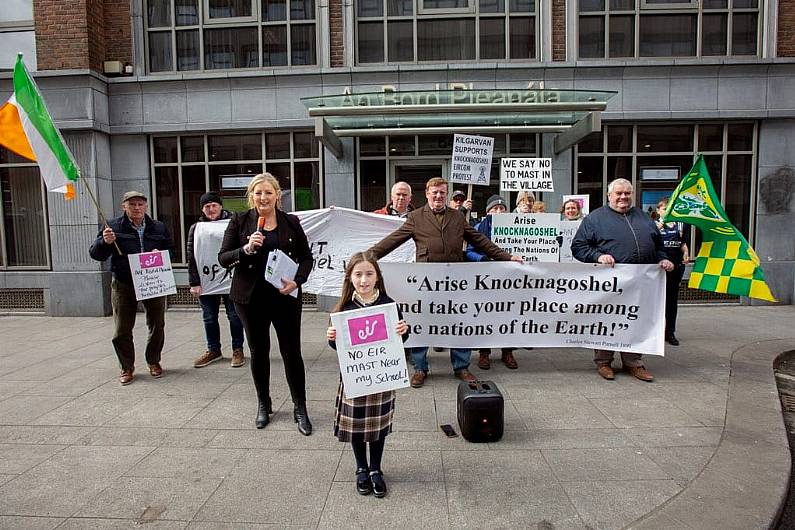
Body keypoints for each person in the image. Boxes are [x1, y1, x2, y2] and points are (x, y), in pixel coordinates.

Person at [368, 177, 523, 388]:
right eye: (435, 193)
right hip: (425, 282)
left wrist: (507, 257)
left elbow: (481, 241)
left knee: (458, 323)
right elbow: (392, 240)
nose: (439, 196)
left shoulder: (458, 217)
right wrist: (368, 256)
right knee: (421, 323)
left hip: (455, 282)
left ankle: (461, 366)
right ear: (427, 193)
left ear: (446, 193)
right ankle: (420, 368)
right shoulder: (415, 217)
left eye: (442, 192)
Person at [218, 173, 314, 434]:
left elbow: (307, 257)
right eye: (258, 193)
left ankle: (300, 407)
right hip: (250, 299)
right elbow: (224, 258)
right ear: (252, 196)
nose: (263, 197)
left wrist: (297, 281)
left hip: (284, 298)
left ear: (277, 195)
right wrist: (246, 249)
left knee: (291, 352)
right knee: (259, 352)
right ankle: (264, 403)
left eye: (268, 192)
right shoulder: (239, 221)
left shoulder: (291, 222)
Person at [571, 178, 674, 382]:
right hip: (609, 284)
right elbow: (578, 247)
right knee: (607, 321)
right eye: (618, 193)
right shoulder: (595, 219)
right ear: (609, 195)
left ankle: (633, 362)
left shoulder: (644, 218)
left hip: (641, 284)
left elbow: (658, 246)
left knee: (635, 321)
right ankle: (604, 362)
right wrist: (597, 256)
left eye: (627, 193)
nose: (623, 197)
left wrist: (663, 259)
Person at [327, 252, 409, 498]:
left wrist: (404, 330)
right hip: (356, 377)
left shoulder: (389, 305)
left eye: (369, 274)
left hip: (381, 378)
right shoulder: (343, 308)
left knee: (377, 425)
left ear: (377, 277)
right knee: (356, 426)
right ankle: (361, 467)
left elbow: (400, 339)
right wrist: (332, 339)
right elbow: (339, 348)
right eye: (358, 274)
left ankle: (375, 469)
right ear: (350, 278)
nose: (364, 280)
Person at [89, 191, 174, 386]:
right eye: (132, 204)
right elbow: (96, 255)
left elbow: (170, 250)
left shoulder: (158, 227)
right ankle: (126, 366)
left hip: (152, 281)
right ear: (124, 206)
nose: (137, 208)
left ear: (146, 206)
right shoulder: (112, 227)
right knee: (122, 329)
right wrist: (104, 241)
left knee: (157, 324)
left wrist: (159, 253)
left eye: (140, 204)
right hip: (124, 282)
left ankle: (153, 361)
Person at [187, 192, 246, 369]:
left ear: (220, 206)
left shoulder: (234, 223)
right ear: (202, 209)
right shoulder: (196, 228)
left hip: (231, 279)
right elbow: (192, 256)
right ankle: (213, 350)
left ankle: (238, 349)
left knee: (235, 316)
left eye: (213, 205)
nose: (211, 209)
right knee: (209, 317)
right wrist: (194, 282)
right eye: (207, 206)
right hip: (207, 280)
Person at [465, 194, 519, 370]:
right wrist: (482, 260)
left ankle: (507, 351)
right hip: (487, 278)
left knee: (509, 314)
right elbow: (469, 251)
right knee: (485, 314)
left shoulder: (517, 226)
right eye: (494, 208)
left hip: (510, 279)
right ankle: (484, 352)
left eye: (502, 208)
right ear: (488, 211)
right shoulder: (479, 227)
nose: (498, 211)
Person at [656, 197, 689, 346]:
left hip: (676, 266)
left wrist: (686, 251)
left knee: (671, 300)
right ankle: (655, 331)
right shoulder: (653, 225)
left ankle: (670, 332)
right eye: (664, 209)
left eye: (670, 209)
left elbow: (682, 243)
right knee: (656, 301)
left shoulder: (680, 225)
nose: (667, 212)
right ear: (658, 210)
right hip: (658, 267)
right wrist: (659, 227)